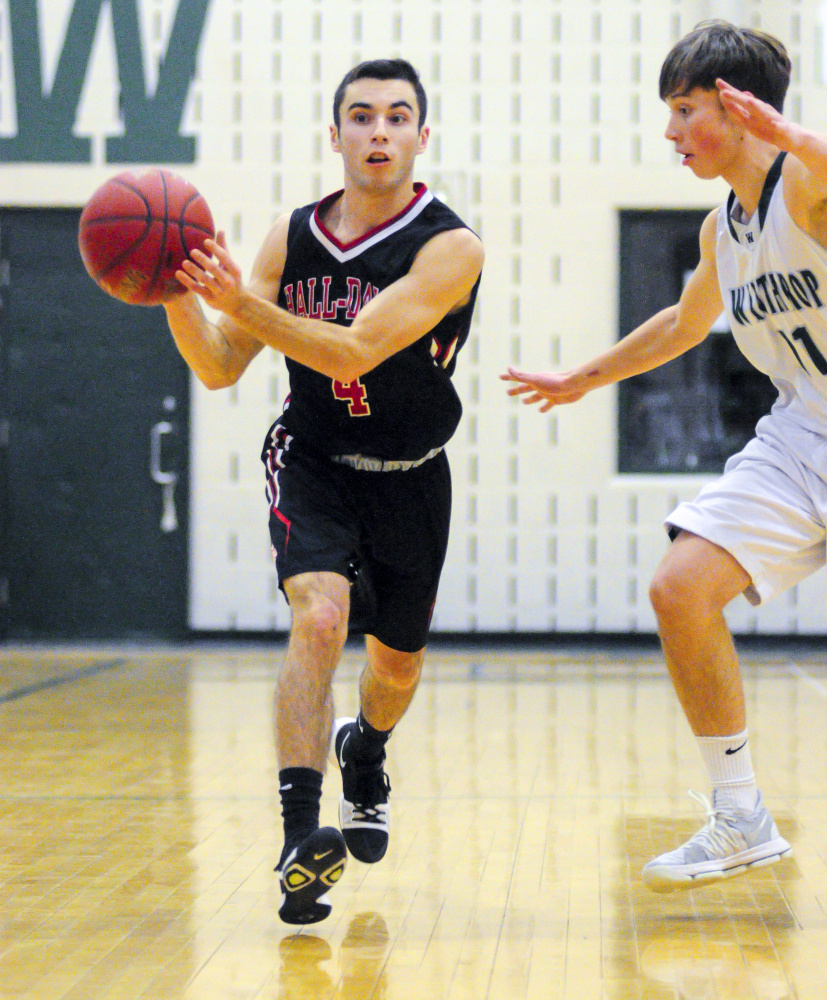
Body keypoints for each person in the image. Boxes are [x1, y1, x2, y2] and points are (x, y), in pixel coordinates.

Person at [502, 20, 823, 891]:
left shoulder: (806, 187)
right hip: (805, 434)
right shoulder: (725, 227)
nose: (670, 132)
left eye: (684, 110)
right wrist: (583, 377)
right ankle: (740, 817)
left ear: (737, 109)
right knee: (680, 587)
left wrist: (796, 139)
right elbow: (685, 323)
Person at [164, 58, 484, 923]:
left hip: (412, 478)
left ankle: (367, 750)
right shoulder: (290, 234)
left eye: (395, 117)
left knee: (395, 667)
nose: (377, 132)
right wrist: (176, 296)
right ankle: (299, 840)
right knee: (320, 615)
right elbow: (224, 366)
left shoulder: (450, 246)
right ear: (334, 133)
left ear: (422, 135)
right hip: (311, 458)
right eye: (360, 117)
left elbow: (350, 351)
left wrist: (238, 299)